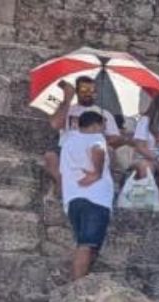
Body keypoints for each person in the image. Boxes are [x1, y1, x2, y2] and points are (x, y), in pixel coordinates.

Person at [58, 110, 114, 282]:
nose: (104, 130)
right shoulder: (96, 137)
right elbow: (98, 149)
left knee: (86, 244)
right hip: (95, 199)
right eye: (103, 126)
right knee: (87, 245)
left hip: (73, 199)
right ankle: (77, 287)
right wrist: (97, 173)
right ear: (96, 125)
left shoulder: (68, 142)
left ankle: (81, 282)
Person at [121, 91, 159, 210]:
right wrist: (157, 156)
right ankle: (147, 205)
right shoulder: (145, 121)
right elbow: (140, 146)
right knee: (146, 166)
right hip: (144, 157)